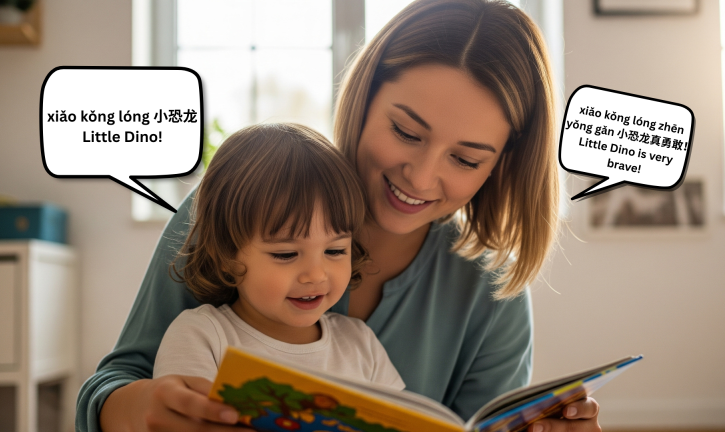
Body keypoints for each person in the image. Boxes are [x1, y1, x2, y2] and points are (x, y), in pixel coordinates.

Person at [77, 1, 604, 431]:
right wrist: (141, 408)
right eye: (405, 131)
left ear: (502, 165)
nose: (421, 178)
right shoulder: (234, 206)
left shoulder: (489, 289)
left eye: (465, 159)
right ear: (364, 97)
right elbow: (117, 382)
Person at [152, 123, 405, 392]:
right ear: (226, 255)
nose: (316, 274)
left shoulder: (361, 344)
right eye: (286, 254)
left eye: (335, 251)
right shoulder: (201, 336)